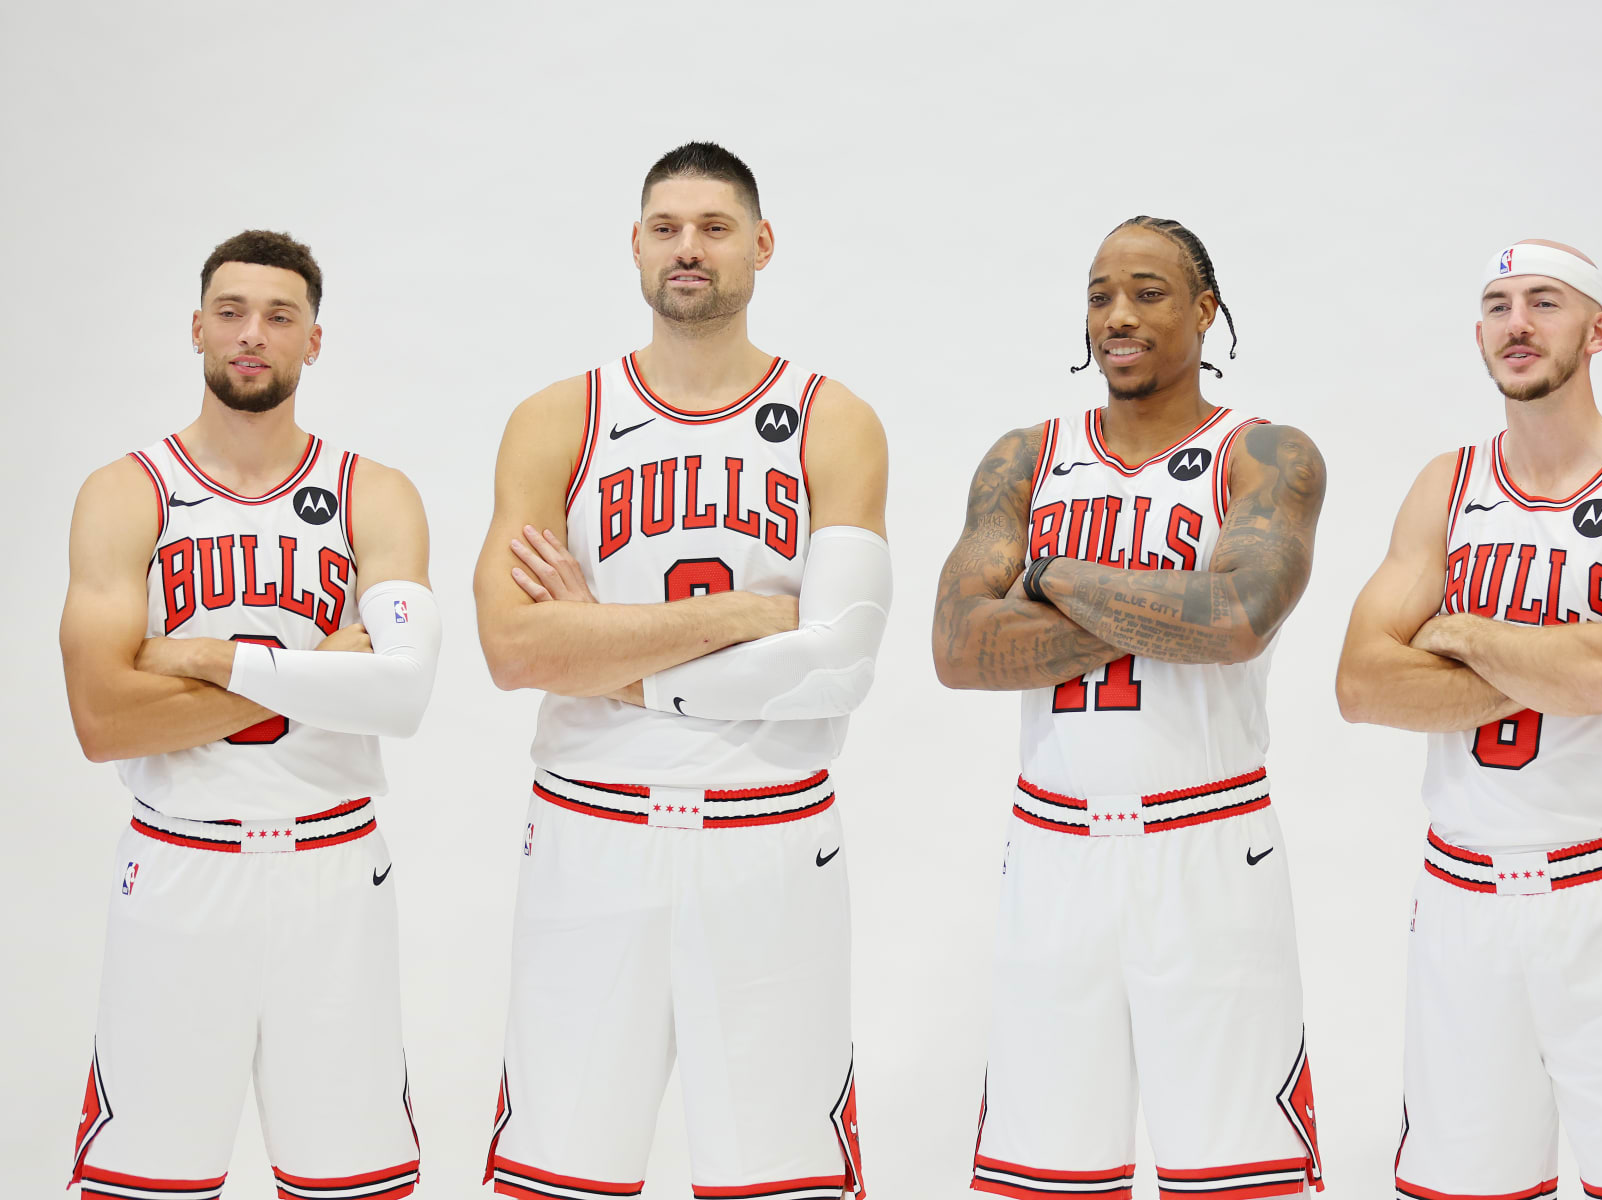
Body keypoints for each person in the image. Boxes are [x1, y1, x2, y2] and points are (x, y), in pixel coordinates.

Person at [474, 141, 890, 1200]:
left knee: (780, 1178)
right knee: (556, 1173)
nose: (688, 248)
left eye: (713, 227)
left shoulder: (832, 419)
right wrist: (750, 616)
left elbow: (839, 664)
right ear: (635, 247)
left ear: (761, 245)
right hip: (590, 831)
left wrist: (604, 646)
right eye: (665, 227)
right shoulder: (557, 417)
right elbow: (515, 649)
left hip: (767, 834)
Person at [933, 216, 1327, 1200]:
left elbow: (1237, 618)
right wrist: (1164, 601)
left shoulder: (1267, 453)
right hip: (1054, 850)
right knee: (1043, 1178)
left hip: (1210, 848)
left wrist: (1057, 574)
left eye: (1148, 292)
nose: (1118, 314)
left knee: (1240, 1178)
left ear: (1204, 311)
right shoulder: (1022, 457)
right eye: (1100, 292)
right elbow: (958, 649)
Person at [1336, 240, 1602, 1200]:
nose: (1518, 324)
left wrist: (1460, 632)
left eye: (1544, 303)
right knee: (1463, 1187)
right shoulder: (1448, 482)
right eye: (1499, 306)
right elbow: (1361, 684)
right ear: (1478, 333)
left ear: (1600, 330)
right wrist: (1562, 658)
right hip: (1462, 898)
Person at [61, 230, 440, 1200]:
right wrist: (316, 669)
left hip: (335, 869)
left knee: (352, 1182)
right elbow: (104, 716)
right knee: (147, 1182)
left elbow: (399, 693)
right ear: (196, 327)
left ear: (315, 340)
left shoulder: (375, 495)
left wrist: (205, 660)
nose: (251, 335)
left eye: (279, 316)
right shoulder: (127, 493)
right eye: (230, 312)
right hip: (181, 867)